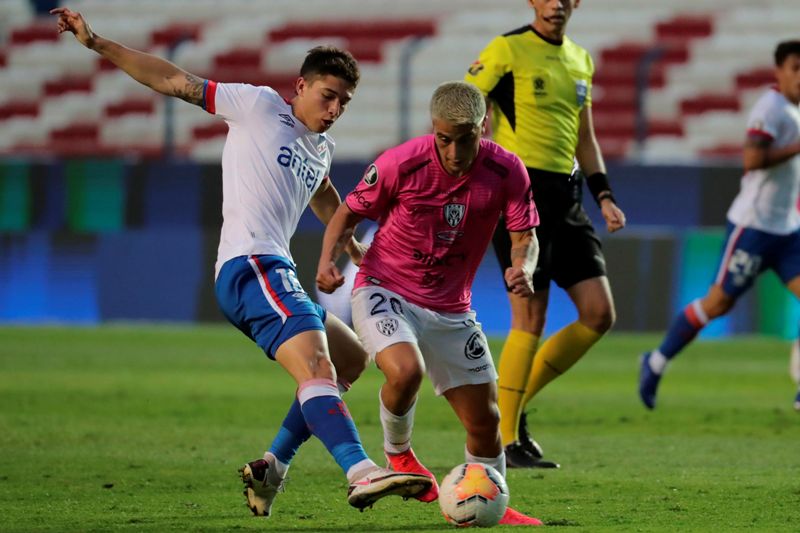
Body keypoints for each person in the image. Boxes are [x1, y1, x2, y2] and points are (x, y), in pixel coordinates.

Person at [51, 6, 432, 519]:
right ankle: (361, 471)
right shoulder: (256, 104)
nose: (336, 107)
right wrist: (96, 42)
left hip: (273, 272)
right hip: (250, 265)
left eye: (344, 100)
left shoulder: (320, 147)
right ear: (300, 85)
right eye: (328, 95)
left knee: (349, 359)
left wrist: (355, 247)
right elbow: (172, 78)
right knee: (318, 365)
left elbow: (322, 196)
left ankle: (271, 467)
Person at [318, 81, 544, 526]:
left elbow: (525, 237)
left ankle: (492, 502)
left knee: (485, 420)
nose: (455, 151)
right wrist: (327, 260)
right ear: (433, 129)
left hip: (452, 308)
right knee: (406, 370)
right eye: (445, 139)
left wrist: (525, 267)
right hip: (386, 288)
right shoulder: (401, 163)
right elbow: (347, 213)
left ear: (485, 126)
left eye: (466, 139)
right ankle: (399, 456)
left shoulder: (507, 170)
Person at [464, 0, 626, 468]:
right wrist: (479, 138)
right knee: (529, 319)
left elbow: (585, 137)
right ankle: (506, 439)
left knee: (599, 314)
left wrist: (605, 196)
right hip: (520, 193)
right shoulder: (506, 50)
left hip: (568, 196)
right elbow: (462, 106)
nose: (556, 2)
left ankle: (506, 407)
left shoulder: (580, 58)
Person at [639, 40, 800, 410]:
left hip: (787, 228)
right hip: (753, 227)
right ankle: (656, 360)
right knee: (718, 302)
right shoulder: (770, 108)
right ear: (779, 70)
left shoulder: (795, 110)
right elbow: (753, 159)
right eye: (795, 67)